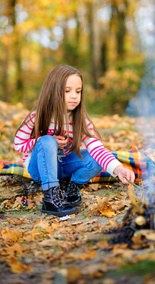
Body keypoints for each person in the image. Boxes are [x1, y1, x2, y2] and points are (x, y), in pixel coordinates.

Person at [14, 65, 135, 217]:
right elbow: (18, 145)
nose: (74, 96)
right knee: (47, 141)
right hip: (40, 169)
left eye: (78, 91)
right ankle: (51, 198)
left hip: (64, 165)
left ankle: (73, 185)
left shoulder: (79, 119)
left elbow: (97, 148)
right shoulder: (37, 115)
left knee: (96, 158)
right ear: (53, 91)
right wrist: (45, 140)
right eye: (67, 91)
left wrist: (118, 169)